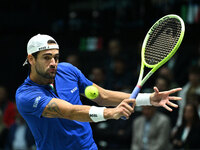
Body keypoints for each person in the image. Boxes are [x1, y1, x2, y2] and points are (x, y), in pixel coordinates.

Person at [15, 34, 182, 150]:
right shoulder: (26, 96)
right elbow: (70, 111)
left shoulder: (68, 71)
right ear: (31, 59)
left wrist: (148, 99)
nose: (53, 63)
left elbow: (103, 96)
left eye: (56, 57)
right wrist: (110, 113)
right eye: (46, 57)